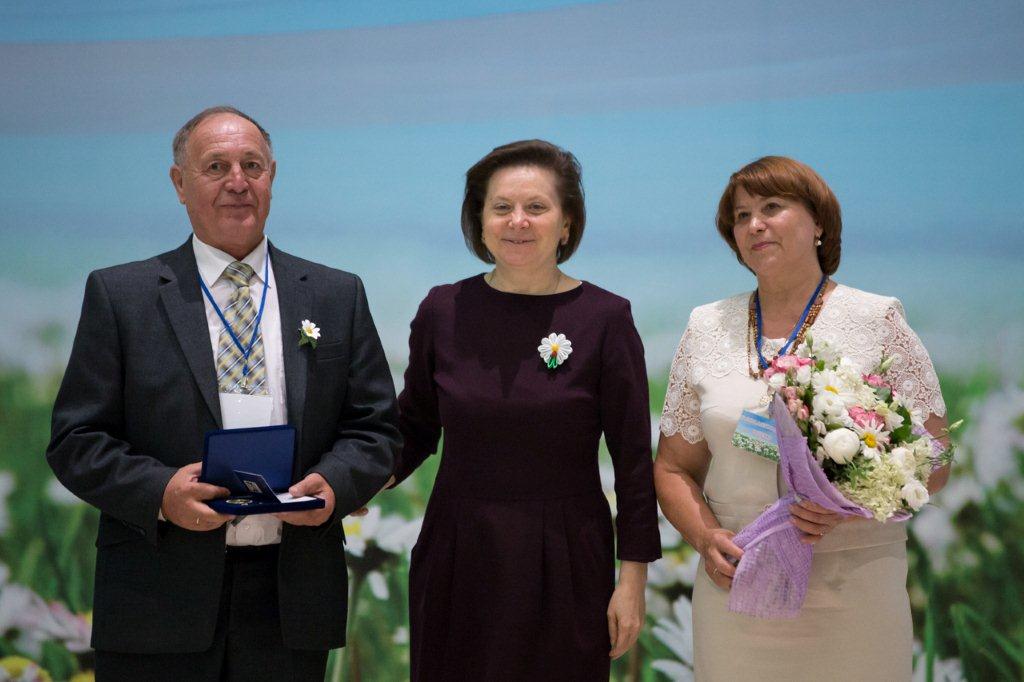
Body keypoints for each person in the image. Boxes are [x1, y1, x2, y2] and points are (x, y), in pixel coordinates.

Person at [46, 106, 400, 681]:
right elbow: (76, 440)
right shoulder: (121, 295)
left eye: (252, 166)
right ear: (179, 183)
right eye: (216, 166)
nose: (238, 182)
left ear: (272, 176)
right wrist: (161, 492)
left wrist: (336, 484)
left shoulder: (336, 294)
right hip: (157, 598)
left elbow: (376, 428)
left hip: (291, 601)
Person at [654, 156, 950, 680]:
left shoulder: (876, 318)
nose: (754, 225)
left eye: (771, 207)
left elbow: (936, 459)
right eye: (741, 216)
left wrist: (851, 505)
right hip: (736, 584)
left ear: (818, 223)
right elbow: (674, 467)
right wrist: (704, 538)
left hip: (854, 589)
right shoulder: (706, 325)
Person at [390, 139, 661, 680]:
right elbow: (413, 426)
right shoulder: (443, 309)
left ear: (566, 223)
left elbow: (633, 461)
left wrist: (632, 581)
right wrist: (353, 483)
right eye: (501, 207)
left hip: (566, 555)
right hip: (459, 549)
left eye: (536, 207)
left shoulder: (606, 318)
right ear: (480, 221)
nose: (518, 221)